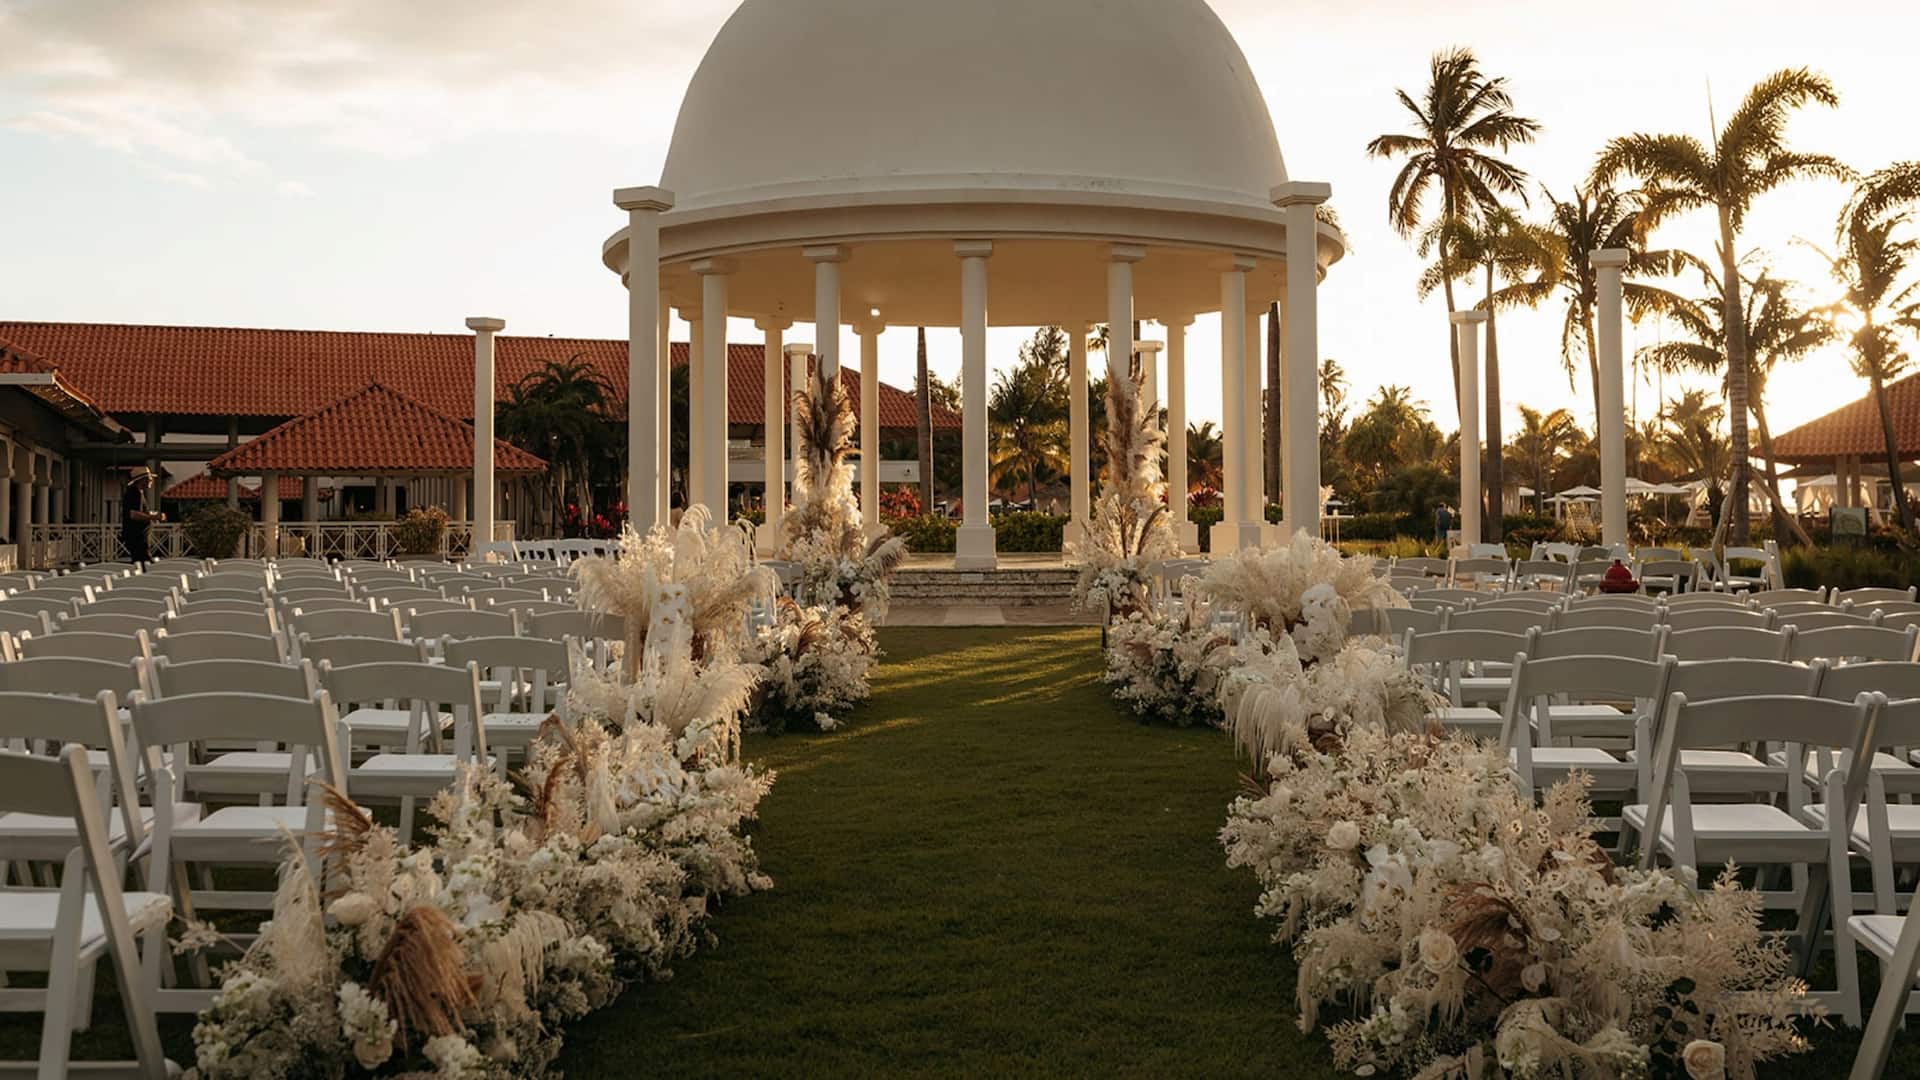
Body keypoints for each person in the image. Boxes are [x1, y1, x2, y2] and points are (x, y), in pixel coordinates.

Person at [122, 466, 165, 565]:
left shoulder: (138, 493)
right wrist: (153, 517)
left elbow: (140, 512)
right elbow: (133, 514)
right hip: (136, 537)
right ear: (142, 480)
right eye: (149, 478)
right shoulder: (133, 493)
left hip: (140, 538)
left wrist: (152, 515)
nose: (151, 480)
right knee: (144, 564)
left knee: (141, 563)